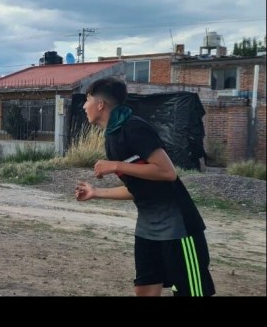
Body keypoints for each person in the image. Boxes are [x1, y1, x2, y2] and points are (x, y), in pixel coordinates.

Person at [74, 77, 215, 297]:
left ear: (100, 104)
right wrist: (96, 192)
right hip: (148, 228)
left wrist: (116, 165)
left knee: (191, 292)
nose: (84, 106)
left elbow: (167, 172)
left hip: (177, 227)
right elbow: (138, 188)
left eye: (87, 100)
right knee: (145, 289)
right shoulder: (113, 136)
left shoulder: (134, 127)